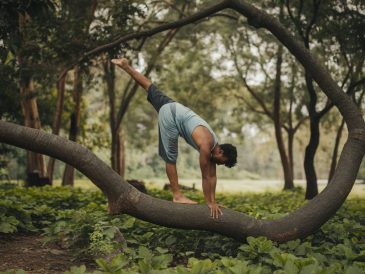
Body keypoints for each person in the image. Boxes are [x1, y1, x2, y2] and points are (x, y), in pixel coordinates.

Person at [111, 58, 237, 219]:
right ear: (219, 151)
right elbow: (206, 176)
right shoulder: (207, 146)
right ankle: (177, 195)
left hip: (175, 107)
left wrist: (214, 200)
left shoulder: (214, 144)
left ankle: (125, 66)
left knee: (149, 87)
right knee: (171, 158)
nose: (219, 164)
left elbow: (213, 176)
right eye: (221, 161)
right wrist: (209, 203)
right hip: (170, 117)